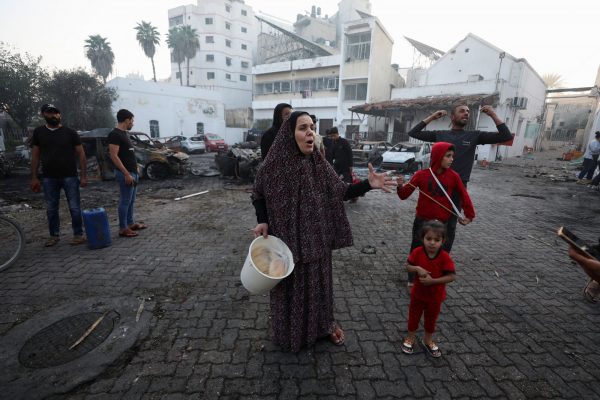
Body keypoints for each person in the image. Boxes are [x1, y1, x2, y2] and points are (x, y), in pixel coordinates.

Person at [251, 111, 396, 352]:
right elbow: (258, 194)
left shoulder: (317, 162)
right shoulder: (272, 165)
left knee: (318, 287)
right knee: (291, 287)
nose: (310, 132)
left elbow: (340, 191)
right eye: (303, 127)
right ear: (289, 134)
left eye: (313, 127)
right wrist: (263, 220)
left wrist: (368, 185)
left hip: (316, 238)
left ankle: (323, 325)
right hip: (286, 243)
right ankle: (292, 332)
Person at [397, 142, 475, 285]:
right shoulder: (421, 175)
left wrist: (469, 215)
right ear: (438, 156)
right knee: (417, 250)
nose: (451, 159)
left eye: (452, 156)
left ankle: (434, 278)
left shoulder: (454, 176)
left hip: (441, 224)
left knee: (438, 252)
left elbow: (464, 195)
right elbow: (403, 195)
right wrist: (399, 185)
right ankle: (412, 280)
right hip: (422, 222)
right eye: (448, 156)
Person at [408, 105, 512, 185]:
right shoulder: (439, 134)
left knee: (454, 213)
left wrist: (493, 114)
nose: (466, 113)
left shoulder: (475, 136)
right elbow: (413, 133)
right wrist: (432, 117)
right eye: (462, 111)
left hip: (459, 184)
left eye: (468, 111)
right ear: (452, 117)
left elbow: (506, 136)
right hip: (437, 182)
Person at [30, 103, 87, 247]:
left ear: (60, 115)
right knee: (51, 208)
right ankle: (54, 235)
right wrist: (34, 177)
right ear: (43, 114)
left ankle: (78, 234)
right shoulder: (39, 133)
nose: (54, 115)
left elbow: (81, 154)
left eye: (56, 112)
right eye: (50, 113)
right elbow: (35, 156)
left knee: (74, 207)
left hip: (70, 176)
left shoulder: (70, 132)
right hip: (49, 177)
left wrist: (84, 176)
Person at [401, 220, 456, 358]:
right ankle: (410, 337)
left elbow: (451, 276)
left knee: (431, 320)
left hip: (435, 297)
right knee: (413, 317)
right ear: (423, 239)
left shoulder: (445, 257)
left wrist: (433, 281)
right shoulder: (417, 252)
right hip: (418, 295)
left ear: (442, 241)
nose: (432, 243)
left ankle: (427, 339)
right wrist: (417, 268)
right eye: (428, 239)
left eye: (436, 240)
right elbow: (407, 266)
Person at [108, 109, 146, 238]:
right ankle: (123, 228)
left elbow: (128, 153)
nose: (133, 123)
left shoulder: (125, 134)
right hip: (125, 174)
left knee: (131, 200)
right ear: (126, 120)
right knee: (125, 201)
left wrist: (135, 166)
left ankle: (130, 223)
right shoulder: (114, 134)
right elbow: (114, 156)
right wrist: (126, 173)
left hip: (132, 172)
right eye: (132, 120)